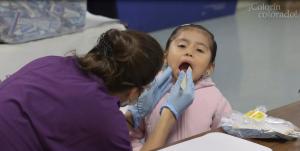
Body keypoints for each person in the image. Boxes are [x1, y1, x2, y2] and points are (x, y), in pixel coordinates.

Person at [0, 29, 194, 151]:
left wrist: (130, 118)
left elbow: (75, 123)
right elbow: (98, 123)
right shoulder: (104, 118)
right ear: (134, 92)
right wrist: (169, 115)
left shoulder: (50, 63)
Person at [127, 24, 232, 150]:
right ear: (165, 57)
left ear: (209, 68)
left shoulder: (215, 99)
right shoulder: (150, 90)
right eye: (182, 46)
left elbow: (226, 139)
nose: (189, 52)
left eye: (199, 50)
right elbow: (129, 136)